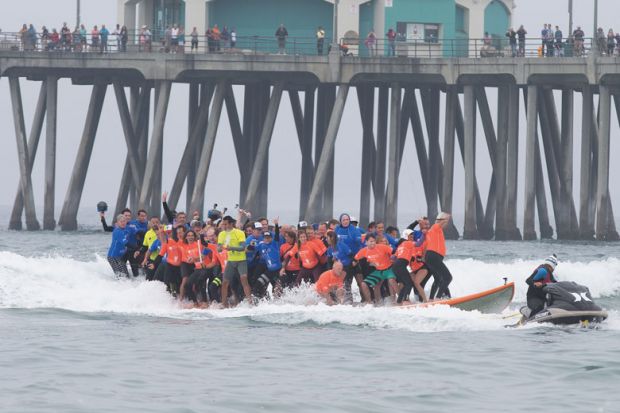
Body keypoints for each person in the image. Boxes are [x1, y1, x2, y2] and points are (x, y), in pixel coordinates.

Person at [217, 215, 253, 307]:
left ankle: (250, 303)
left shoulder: (239, 233)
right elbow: (219, 247)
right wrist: (219, 248)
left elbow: (243, 247)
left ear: (231, 224)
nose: (223, 226)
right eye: (223, 224)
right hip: (231, 261)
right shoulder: (222, 234)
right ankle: (224, 304)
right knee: (225, 282)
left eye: (225, 224)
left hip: (241, 260)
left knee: (244, 279)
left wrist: (231, 248)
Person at [354, 233, 397, 303]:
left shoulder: (382, 247)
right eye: (371, 241)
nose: (373, 243)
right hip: (379, 271)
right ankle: (372, 303)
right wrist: (354, 263)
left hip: (388, 269)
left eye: (374, 241)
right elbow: (355, 259)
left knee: (391, 281)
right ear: (366, 242)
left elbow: (395, 252)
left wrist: (394, 258)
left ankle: (395, 301)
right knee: (365, 284)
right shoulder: (364, 251)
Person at [423, 212, 453, 300]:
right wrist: (446, 218)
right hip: (434, 256)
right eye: (446, 222)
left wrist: (424, 258)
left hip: (431, 257)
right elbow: (439, 223)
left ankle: (432, 299)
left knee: (438, 279)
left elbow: (426, 247)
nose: (446, 224)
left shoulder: (432, 232)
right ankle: (438, 298)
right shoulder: (435, 227)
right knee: (448, 277)